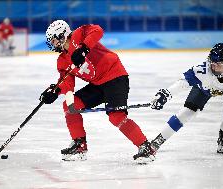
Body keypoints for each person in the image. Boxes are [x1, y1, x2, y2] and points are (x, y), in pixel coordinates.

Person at [40, 20, 155, 162]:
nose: (53, 44)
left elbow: (98, 30)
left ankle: (145, 147)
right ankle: (79, 145)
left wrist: (83, 48)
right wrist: (54, 91)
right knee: (70, 105)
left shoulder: (79, 35)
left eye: (54, 40)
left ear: (62, 35)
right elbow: (67, 83)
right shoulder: (62, 60)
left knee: (116, 116)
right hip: (98, 85)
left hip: (115, 77)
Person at [150, 43, 223, 155]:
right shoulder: (202, 70)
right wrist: (166, 94)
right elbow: (183, 82)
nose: (214, 67)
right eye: (212, 63)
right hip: (204, 89)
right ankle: (158, 140)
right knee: (187, 112)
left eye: (219, 64)